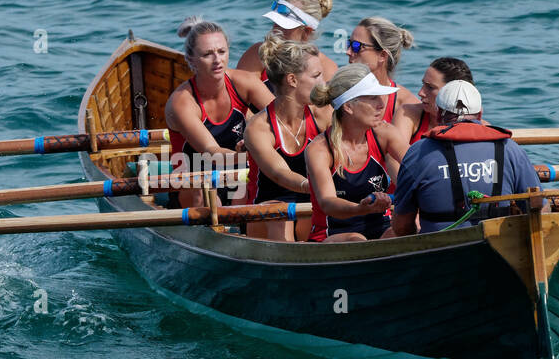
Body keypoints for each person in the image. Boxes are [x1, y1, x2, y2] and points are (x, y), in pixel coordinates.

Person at [391, 79, 545, 236]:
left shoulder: (418, 153)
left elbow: (402, 226)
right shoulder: (510, 149)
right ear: (480, 114)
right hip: (500, 248)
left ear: (438, 115)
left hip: (438, 253)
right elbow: (541, 211)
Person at [165, 16, 274, 206]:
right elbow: (211, 152)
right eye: (207, 54)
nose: (217, 60)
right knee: (205, 195)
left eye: (222, 51)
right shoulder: (182, 101)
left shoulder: (245, 83)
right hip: (194, 180)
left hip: (237, 172)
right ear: (191, 59)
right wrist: (250, 155)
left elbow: (286, 119)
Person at [305, 65, 410, 242]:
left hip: (381, 229)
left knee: (411, 229)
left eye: (380, 96)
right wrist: (361, 209)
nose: (381, 104)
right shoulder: (320, 149)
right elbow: (327, 202)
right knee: (356, 239)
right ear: (348, 107)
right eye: (372, 97)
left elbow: (420, 168)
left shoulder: (384, 133)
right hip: (332, 235)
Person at [244, 37, 329, 241]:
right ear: (292, 80)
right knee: (281, 215)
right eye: (316, 76)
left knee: (322, 212)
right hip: (267, 209)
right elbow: (280, 173)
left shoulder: (322, 115)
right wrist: (316, 186)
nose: (323, 84)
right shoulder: (259, 128)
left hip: (310, 201)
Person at [237, 0, 339, 87]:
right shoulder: (258, 54)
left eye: (284, 26)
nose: (275, 29)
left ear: (306, 32)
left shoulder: (328, 69)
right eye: (276, 22)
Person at [345, 17, 423, 140]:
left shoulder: (407, 107)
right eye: (348, 44)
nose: (348, 52)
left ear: (382, 55)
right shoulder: (338, 94)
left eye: (356, 46)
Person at [413, 56, 474, 144]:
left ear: (453, 94)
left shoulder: (483, 129)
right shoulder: (410, 114)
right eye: (423, 84)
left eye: (430, 87)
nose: (420, 93)